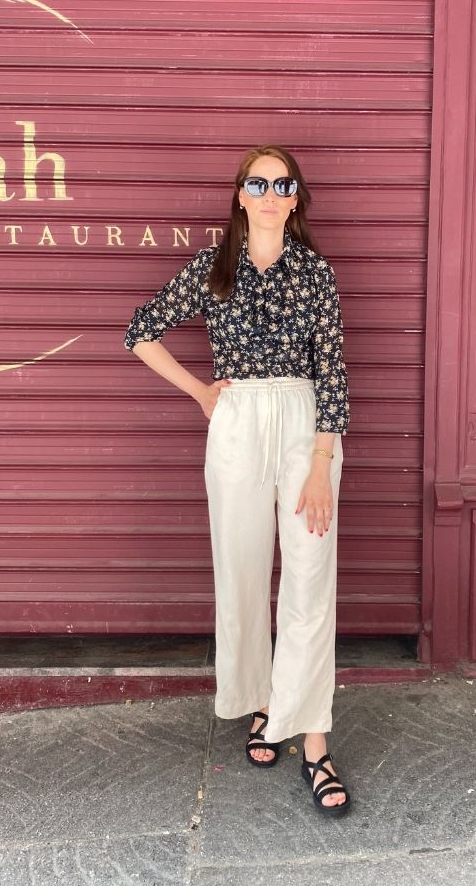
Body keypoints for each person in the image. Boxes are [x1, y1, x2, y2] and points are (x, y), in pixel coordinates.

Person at [123, 144, 351, 817]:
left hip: (305, 426)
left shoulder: (315, 272)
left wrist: (321, 465)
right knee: (244, 573)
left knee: (309, 579)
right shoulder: (214, 267)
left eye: (283, 184)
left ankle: (313, 740)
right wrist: (200, 392)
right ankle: (261, 704)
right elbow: (141, 331)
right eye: (259, 183)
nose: (271, 194)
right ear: (241, 195)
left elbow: (333, 370)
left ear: (295, 198)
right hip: (237, 425)